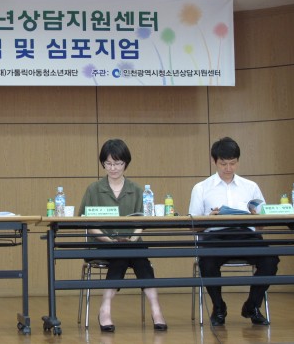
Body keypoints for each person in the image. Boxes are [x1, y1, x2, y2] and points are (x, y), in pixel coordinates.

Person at [77, 139, 167, 333]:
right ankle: (152, 309)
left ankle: (114, 308)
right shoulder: (93, 189)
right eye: (108, 163)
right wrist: (110, 240)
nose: (113, 168)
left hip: (132, 243)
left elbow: (142, 221)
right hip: (102, 243)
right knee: (123, 252)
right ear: (103, 163)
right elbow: (87, 223)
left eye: (118, 163)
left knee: (132, 254)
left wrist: (132, 239)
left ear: (126, 163)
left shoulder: (137, 190)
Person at [188, 137, 279, 326]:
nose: (228, 168)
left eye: (232, 163)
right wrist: (209, 218)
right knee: (206, 261)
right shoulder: (201, 188)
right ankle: (219, 307)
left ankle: (252, 306)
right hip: (215, 236)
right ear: (214, 161)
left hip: (246, 235)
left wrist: (257, 218)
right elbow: (194, 226)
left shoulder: (251, 187)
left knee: (270, 259)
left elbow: (262, 226)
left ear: (238, 161)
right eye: (223, 164)